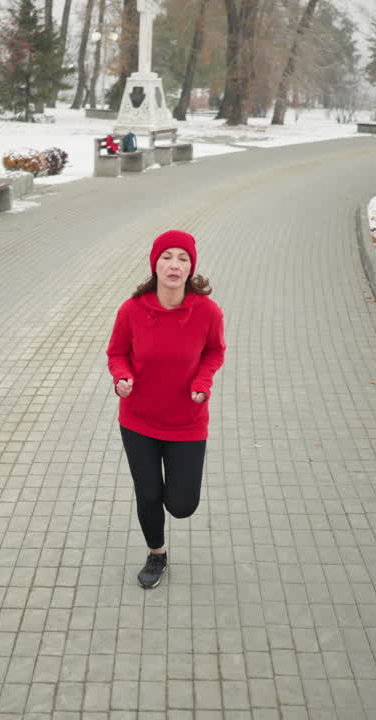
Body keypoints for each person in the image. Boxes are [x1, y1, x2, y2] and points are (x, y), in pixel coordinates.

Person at [106, 230, 226, 588]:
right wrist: (122, 377)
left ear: (191, 267)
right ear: (155, 264)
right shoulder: (132, 310)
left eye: (183, 258)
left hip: (187, 422)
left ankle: (172, 516)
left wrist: (202, 383)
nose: (174, 265)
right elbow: (116, 353)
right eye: (167, 257)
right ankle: (156, 554)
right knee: (148, 493)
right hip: (138, 419)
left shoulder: (207, 311)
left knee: (182, 504)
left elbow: (215, 351)